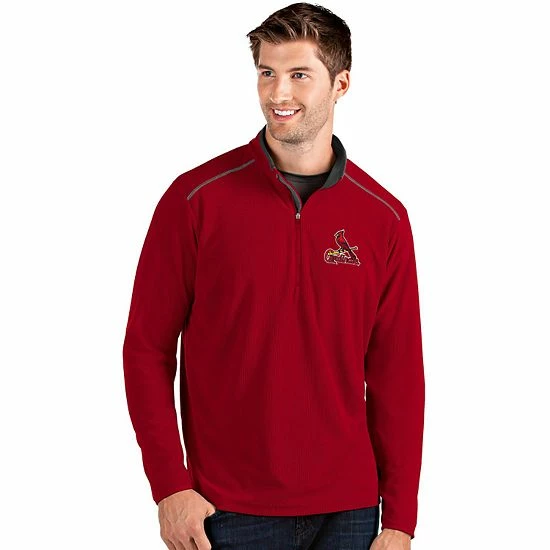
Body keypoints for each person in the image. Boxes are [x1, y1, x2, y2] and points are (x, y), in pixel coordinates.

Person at [122, 3, 425, 549]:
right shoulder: (195, 200)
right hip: (227, 509)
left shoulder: (383, 217)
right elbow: (146, 349)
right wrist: (170, 487)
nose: (277, 93)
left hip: (352, 513)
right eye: (267, 72)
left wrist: (400, 519)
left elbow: (398, 374)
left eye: (299, 74)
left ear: (341, 84)